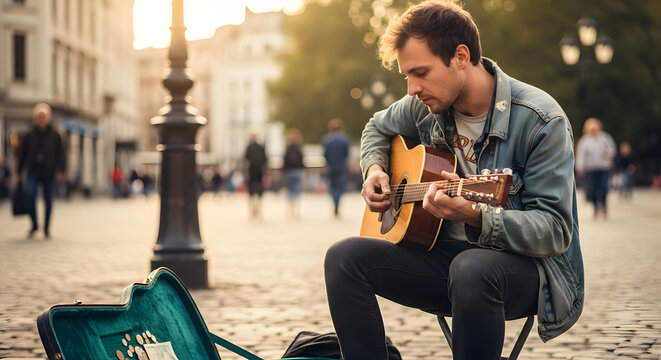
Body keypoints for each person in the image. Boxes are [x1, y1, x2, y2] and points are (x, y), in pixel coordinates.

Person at [323, 1, 584, 359]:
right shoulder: (425, 105)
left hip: (527, 270)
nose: (412, 88)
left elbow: (555, 231)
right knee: (343, 258)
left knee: (472, 268)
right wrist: (375, 170)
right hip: (445, 261)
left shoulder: (541, 121)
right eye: (406, 77)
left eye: (421, 72)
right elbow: (376, 128)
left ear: (461, 56)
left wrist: (476, 216)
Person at [17, 103, 66, 238]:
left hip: (49, 172)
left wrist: (62, 169)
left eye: (43, 116)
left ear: (48, 118)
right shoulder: (29, 135)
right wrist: (19, 171)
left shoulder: (55, 135)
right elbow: (22, 154)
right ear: (35, 118)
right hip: (32, 170)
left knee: (48, 200)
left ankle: (46, 228)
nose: (41, 119)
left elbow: (61, 153)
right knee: (30, 195)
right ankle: (34, 224)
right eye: (39, 116)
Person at [575, 117, 616, 218]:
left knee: (604, 187)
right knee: (592, 189)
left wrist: (608, 153)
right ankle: (595, 207)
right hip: (591, 168)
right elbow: (581, 155)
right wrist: (579, 167)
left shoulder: (605, 138)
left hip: (604, 167)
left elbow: (613, 149)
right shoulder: (585, 140)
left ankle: (604, 204)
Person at [323, 118, 351, 217]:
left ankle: (334, 204)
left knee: (332, 187)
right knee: (340, 188)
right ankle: (337, 206)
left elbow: (325, 154)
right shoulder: (344, 139)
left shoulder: (327, 139)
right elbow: (347, 153)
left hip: (331, 167)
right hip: (341, 167)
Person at [244, 129, 267, 220]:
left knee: (251, 192)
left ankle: (252, 211)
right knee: (260, 192)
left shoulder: (249, 147)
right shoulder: (261, 147)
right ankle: (259, 211)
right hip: (259, 172)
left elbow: (246, 160)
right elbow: (265, 160)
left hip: (251, 172)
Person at [282, 128, 305, 219]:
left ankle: (290, 210)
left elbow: (284, 161)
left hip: (289, 171)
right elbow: (302, 160)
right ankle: (296, 210)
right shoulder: (299, 148)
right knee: (297, 191)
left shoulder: (287, 148)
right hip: (297, 171)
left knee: (289, 191)